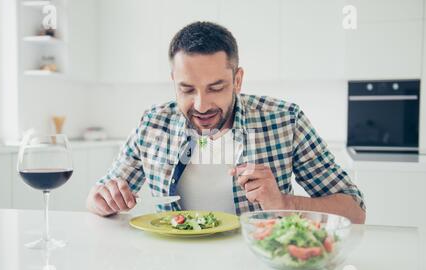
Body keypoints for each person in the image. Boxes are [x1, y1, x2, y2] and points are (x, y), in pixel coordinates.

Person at [86, 21, 366, 224]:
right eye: (186, 89)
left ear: (238, 80)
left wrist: (284, 203)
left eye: (215, 87)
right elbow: (98, 196)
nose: (201, 105)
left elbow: (354, 210)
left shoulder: (284, 119)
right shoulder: (154, 123)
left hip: (258, 269)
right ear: (174, 82)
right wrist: (103, 200)